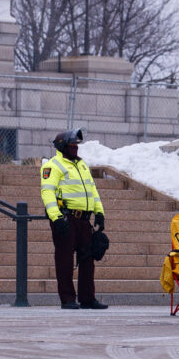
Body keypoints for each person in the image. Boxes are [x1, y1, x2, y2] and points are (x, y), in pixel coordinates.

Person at [41, 128, 108, 310]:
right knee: (65, 260)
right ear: (62, 147)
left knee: (88, 258)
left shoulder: (82, 165)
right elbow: (47, 192)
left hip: (84, 219)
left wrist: (99, 213)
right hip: (66, 218)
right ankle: (68, 299)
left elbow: (92, 191)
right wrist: (56, 218)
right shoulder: (52, 166)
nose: (75, 148)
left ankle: (88, 298)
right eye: (71, 145)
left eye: (76, 145)